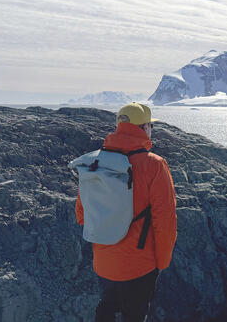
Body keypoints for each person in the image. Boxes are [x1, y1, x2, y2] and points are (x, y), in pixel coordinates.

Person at [75, 102, 177, 322]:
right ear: (145, 128)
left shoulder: (95, 162)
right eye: (150, 126)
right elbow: (165, 222)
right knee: (134, 315)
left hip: (103, 261)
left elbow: (82, 214)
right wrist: (163, 261)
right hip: (140, 264)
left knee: (107, 307)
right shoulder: (155, 165)